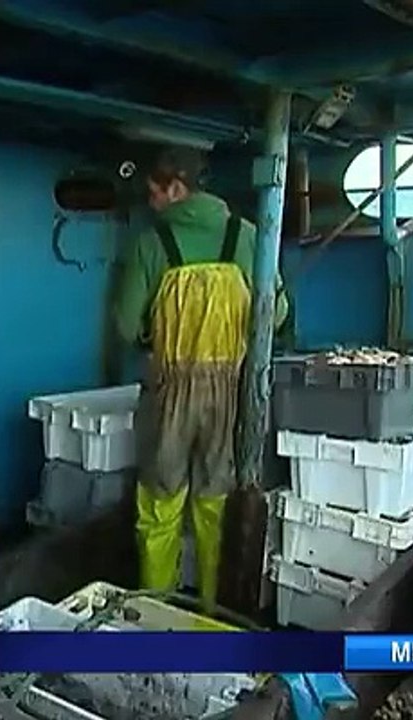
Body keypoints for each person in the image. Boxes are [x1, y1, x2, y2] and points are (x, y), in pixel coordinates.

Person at [112, 146, 288, 609]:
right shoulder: (249, 236)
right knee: (214, 508)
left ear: (176, 188)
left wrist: (158, 331)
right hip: (230, 393)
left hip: (169, 390)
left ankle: (155, 608)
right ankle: (215, 615)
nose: (150, 203)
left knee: (159, 506)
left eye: (153, 193)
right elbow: (278, 313)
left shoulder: (152, 244)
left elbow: (127, 326)